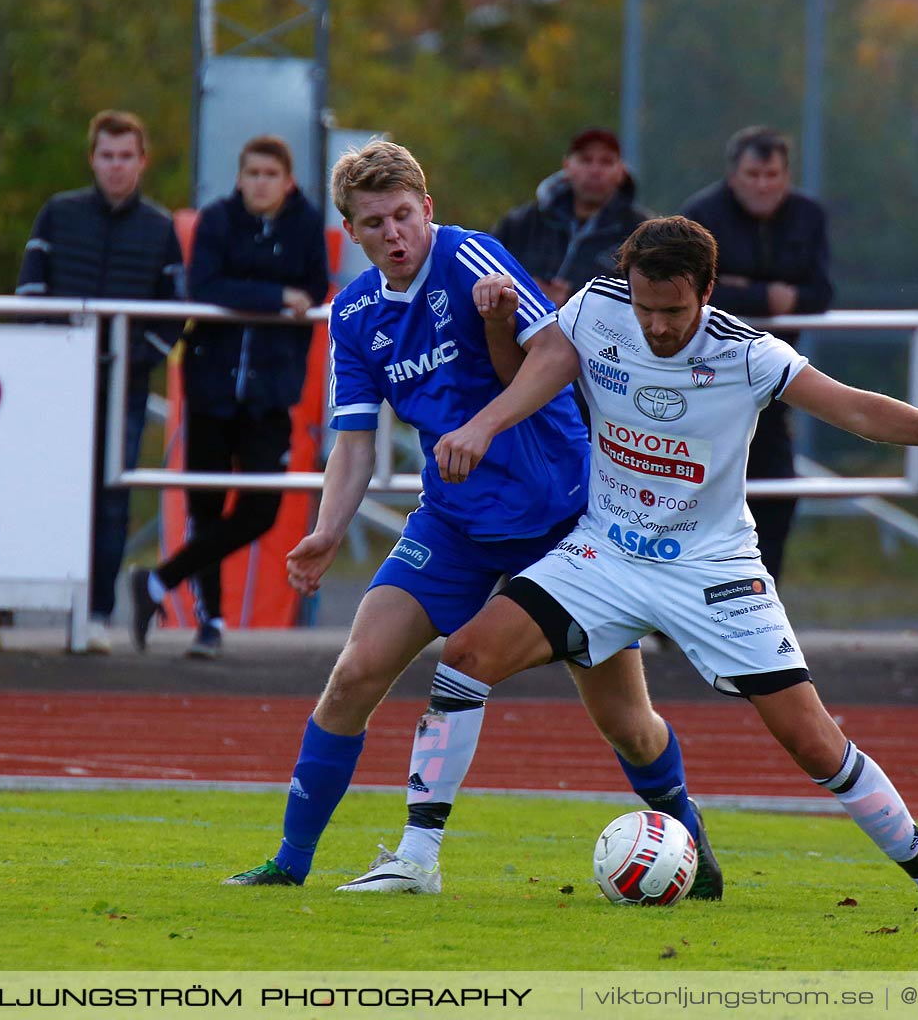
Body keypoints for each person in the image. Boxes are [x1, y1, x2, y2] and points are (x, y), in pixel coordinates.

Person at [364, 217, 918, 918]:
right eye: (645, 307)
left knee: (813, 741)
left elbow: (854, 409)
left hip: (712, 569)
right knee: (466, 655)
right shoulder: (594, 309)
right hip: (606, 552)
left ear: (706, 290)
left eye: (672, 311)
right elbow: (528, 376)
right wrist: (486, 407)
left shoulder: (748, 354)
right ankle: (418, 860)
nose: (656, 326)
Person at [222, 140, 721, 898]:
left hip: (561, 522)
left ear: (427, 210)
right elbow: (354, 443)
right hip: (453, 524)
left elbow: (557, 356)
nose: (393, 233)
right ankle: (291, 864)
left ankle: (689, 840)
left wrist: (482, 427)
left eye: (403, 215)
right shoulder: (353, 315)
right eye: (373, 222)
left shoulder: (473, 261)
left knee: (627, 721)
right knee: (355, 672)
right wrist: (327, 528)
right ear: (350, 232)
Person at [0, 111, 183, 654]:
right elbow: (31, 292)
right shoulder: (58, 214)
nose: (115, 167)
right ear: (92, 159)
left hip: (123, 389)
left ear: (141, 162)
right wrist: (53, 354)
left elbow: (174, 314)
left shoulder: (160, 229)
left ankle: (93, 616)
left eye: (126, 157)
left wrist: (134, 358)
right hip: (50, 387)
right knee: (23, 488)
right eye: (106, 155)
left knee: (110, 500)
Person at [128, 136, 330, 659]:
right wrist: (272, 296)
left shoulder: (306, 224)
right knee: (206, 508)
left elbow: (313, 288)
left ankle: (157, 581)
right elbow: (206, 287)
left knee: (262, 508)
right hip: (212, 385)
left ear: (288, 181)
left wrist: (278, 296)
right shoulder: (217, 219)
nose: (260, 183)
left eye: (270, 173)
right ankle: (210, 621)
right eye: (252, 173)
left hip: (271, 390)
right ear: (239, 178)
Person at [681, 126, 834, 583]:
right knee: (697, 494)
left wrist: (745, 289)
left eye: (772, 174)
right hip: (707, 381)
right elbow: (688, 293)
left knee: (777, 494)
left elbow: (821, 292)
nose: (763, 185)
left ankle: (762, 596)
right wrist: (770, 295)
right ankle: (680, 603)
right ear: (733, 176)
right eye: (753, 174)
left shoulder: (808, 216)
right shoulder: (700, 215)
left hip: (775, 381)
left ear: (787, 177)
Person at [496, 127, 650, 306]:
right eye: (586, 160)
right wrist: (525, 296)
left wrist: (573, 304)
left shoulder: (640, 233)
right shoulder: (521, 224)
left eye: (606, 162)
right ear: (567, 165)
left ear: (621, 172)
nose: (595, 170)